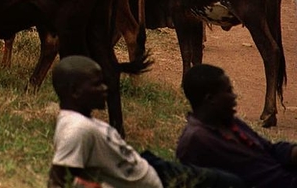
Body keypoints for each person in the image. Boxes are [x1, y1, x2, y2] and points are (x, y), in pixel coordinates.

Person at [48, 55, 246, 188]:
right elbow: (58, 180)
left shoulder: (82, 121)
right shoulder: (76, 128)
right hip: (160, 180)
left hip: (155, 168)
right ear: (75, 91)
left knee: (230, 180)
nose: (105, 88)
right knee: (231, 183)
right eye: (97, 84)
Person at [178, 63, 297, 187]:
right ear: (210, 99)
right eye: (228, 91)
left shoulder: (227, 122)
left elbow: (268, 149)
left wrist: (292, 152)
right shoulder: (197, 140)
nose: (234, 96)